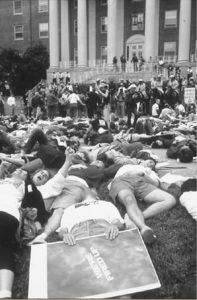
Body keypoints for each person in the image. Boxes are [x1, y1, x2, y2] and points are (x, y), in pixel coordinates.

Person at [0, 150, 73, 298]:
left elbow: (57, 180)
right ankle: (5, 293)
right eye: (41, 173)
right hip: (6, 223)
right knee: (3, 248)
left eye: (45, 176)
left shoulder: (36, 189)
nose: (43, 175)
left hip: (6, 216)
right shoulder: (3, 181)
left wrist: (68, 160)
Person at [109, 164, 176, 245]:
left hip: (141, 181)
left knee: (170, 199)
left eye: (152, 163)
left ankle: (132, 217)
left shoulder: (151, 172)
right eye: (149, 161)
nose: (150, 163)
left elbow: (156, 183)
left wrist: (145, 175)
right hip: (122, 180)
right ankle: (144, 227)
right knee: (129, 199)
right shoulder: (128, 165)